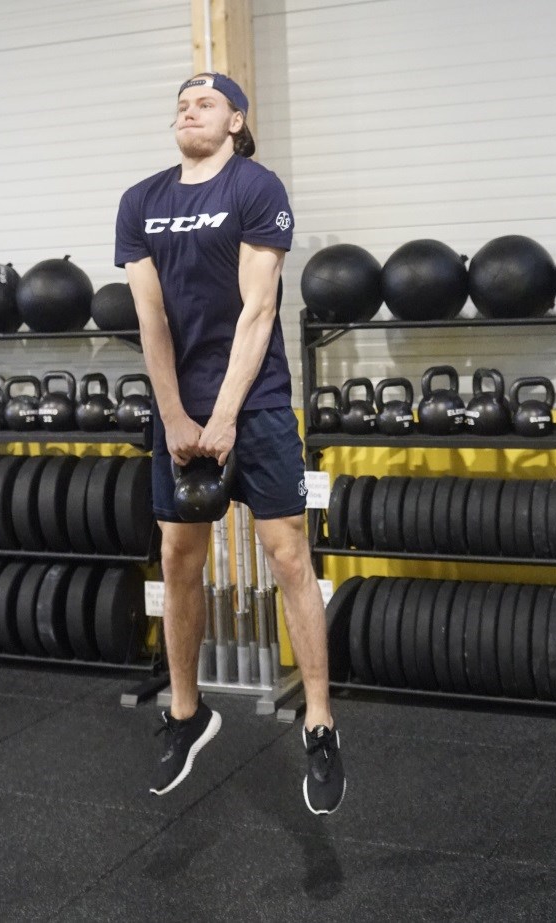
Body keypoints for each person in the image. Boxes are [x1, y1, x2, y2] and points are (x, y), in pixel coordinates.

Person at [114, 72, 345, 815]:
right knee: (178, 556)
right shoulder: (140, 201)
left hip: (259, 403)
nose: (189, 111)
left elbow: (258, 310)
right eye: (181, 104)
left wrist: (222, 418)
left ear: (236, 120)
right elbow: (150, 321)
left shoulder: (255, 186)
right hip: (181, 410)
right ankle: (187, 713)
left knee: (288, 555)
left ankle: (319, 721)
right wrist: (175, 416)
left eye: (205, 103)